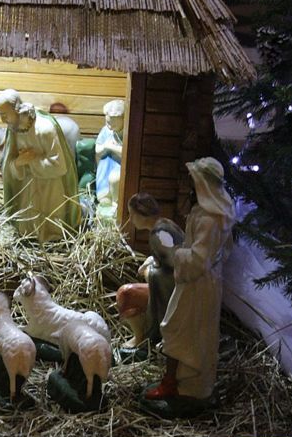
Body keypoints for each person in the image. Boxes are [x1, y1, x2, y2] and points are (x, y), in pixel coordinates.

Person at [145, 157, 235, 401]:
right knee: (182, 330)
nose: (190, 186)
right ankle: (177, 381)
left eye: (194, 181)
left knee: (182, 331)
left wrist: (174, 252)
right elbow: (224, 250)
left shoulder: (210, 219)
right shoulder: (214, 211)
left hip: (198, 285)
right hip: (200, 281)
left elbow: (199, 260)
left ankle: (183, 385)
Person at [0, 90, 80, 242]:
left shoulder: (45, 129)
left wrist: (32, 161)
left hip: (50, 189)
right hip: (28, 188)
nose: (2, 120)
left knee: (51, 231)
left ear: (16, 109)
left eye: (4, 114)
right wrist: (19, 162)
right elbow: (10, 163)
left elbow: (60, 166)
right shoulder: (13, 129)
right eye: (0, 115)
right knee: (27, 230)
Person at [125, 192, 185, 348]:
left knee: (125, 295)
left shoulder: (160, 234)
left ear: (142, 213)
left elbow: (177, 268)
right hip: (177, 290)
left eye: (132, 214)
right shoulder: (165, 225)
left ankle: (143, 338)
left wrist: (149, 272)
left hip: (177, 296)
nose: (130, 219)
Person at [94, 99, 125, 218]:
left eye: (114, 124)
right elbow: (97, 149)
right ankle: (107, 198)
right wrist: (105, 147)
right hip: (106, 164)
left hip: (121, 165)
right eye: (108, 123)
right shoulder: (106, 130)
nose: (110, 127)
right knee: (103, 199)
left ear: (124, 120)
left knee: (115, 179)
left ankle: (116, 204)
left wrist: (111, 147)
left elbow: (127, 154)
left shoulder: (128, 133)